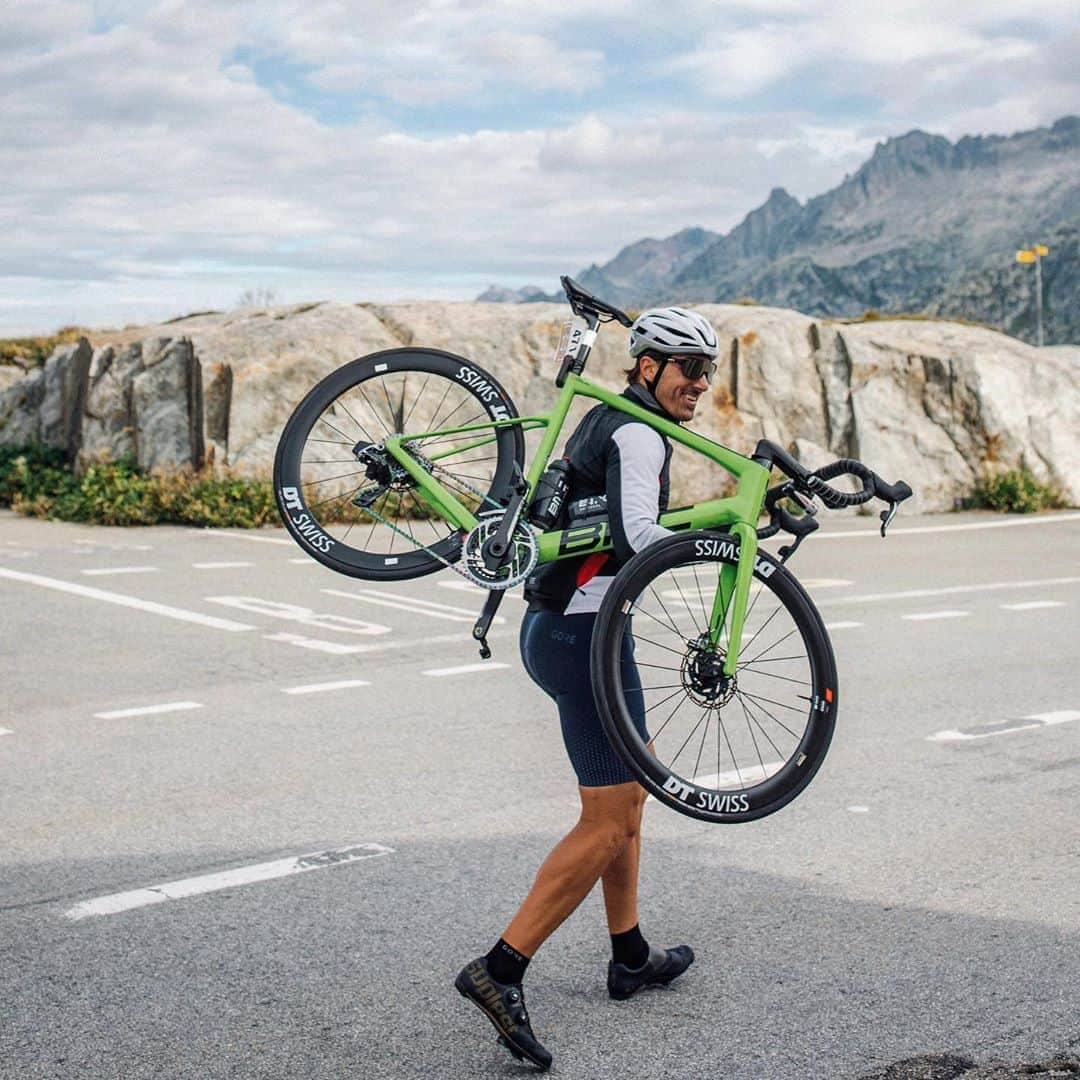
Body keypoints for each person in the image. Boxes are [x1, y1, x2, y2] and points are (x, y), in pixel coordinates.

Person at [454, 306, 721, 1071]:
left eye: (707, 372)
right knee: (607, 822)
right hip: (580, 636)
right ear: (647, 368)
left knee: (625, 803)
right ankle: (500, 970)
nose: (699, 385)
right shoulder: (637, 433)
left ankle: (629, 953)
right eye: (687, 370)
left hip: (577, 629)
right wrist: (726, 538)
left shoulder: (612, 421)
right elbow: (640, 537)